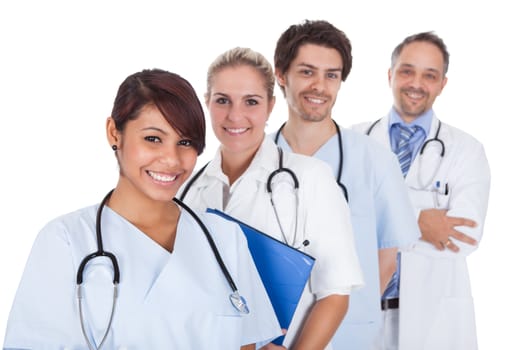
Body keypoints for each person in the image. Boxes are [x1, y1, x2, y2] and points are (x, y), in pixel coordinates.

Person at [3, 69, 282, 349]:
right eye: (153, 138)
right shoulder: (66, 240)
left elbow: (247, 343)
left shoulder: (225, 238)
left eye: (185, 142)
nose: (172, 159)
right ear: (115, 133)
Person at [179, 47, 363, 350]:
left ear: (270, 106)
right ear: (206, 103)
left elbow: (335, 293)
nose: (235, 115)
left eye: (251, 101)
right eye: (222, 100)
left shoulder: (310, 179)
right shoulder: (188, 192)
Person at [271, 20, 419, 349]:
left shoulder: (375, 160)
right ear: (281, 74)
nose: (319, 86)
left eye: (331, 75)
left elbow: (386, 260)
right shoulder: (258, 159)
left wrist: (351, 315)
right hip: (272, 337)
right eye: (307, 72)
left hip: (349, 336)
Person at [353, 32, 491, 349]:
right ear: (390, 75)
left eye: (429, 75)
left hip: (435, 320)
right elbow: (338, 221)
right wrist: (419, 221)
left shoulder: (466, 150)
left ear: (442, 84)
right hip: (362, 313)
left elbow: (461, 237)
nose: (416, 83)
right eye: (407, 71)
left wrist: (377, 218)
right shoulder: (353, 141)